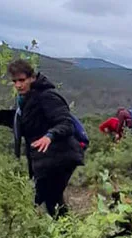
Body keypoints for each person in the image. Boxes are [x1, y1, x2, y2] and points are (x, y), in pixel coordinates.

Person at [8, 59, 84, 217]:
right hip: (45, 159)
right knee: (48, 200)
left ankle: (69, 236)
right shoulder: (24, 100)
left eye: (22, 80)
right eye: (14, 81)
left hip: (61, 157)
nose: (18, 85)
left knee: (49, 199)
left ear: (32, 78)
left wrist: (50, 136)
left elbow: (66, 123)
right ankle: (67, 234)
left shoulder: (46, 96)